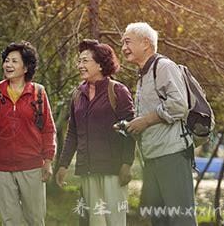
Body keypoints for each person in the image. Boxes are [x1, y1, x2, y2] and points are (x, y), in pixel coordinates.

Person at [121, 22, 197, 225]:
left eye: (127, 41)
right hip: (153, 157)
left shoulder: (163, 67)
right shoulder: (144, 74)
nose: (123, 47)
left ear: (146, 43)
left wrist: (145, 121)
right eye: (122, 43)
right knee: (159, 220)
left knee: (181, 219)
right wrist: (131, 126)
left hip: (171, 155)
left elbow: (179, 105)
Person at [56, 39, 135, 226]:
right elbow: (72, 134)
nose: (80, 65)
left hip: (113, 170)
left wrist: (126, 163)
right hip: (87, 170)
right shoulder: (77, 94)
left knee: (114, 221)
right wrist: (63, 165)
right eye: (79, 61)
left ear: (100, 64)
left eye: (85, 61)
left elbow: (130, 129)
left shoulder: (117, 91)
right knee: (94, 221)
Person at [0, 41, 56, 226]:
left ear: (26, 67)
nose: (8, 65)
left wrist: (48, 161)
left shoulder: (38, 92)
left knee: (35, 218)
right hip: (2, 166)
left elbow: (48, 128)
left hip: (32, 166)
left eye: (14, 61)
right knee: (10, 220)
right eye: (6, 60)